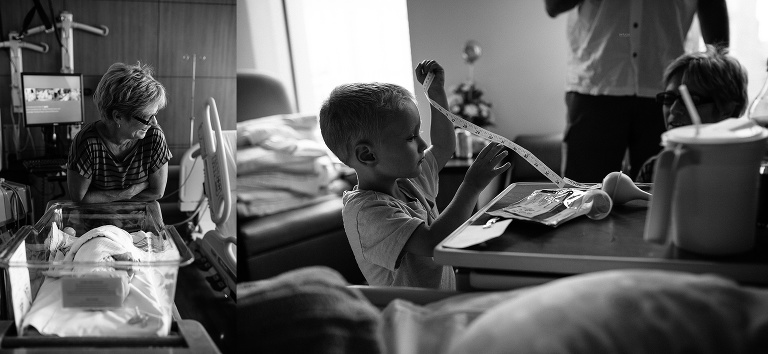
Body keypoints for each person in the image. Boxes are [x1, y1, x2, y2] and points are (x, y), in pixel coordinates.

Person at [319, 60, 510, 290]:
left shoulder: (409, 179)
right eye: (410, 138)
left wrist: (436, 93)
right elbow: (433, 241)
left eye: (417, 132)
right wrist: (471, 185)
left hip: (438, 306)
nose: (422, 144)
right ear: (367, 155)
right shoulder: (366, 213)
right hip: (415, 315)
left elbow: (442, 147)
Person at [544, 0, 730, 183]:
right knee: (583, 199)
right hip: (595, 87)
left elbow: (712, 9)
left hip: (666, 94)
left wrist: (719, 86)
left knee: (662, 196)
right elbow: (553, 5)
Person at [635, 45, 748, 183]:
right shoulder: (654, 169)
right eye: (669, 98)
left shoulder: (745, 170)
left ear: (727, 108)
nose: (674, 109)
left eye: (692, 99)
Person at [67, 62, 171, 203]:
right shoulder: (87, 143)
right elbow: (79, 198)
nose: (154, 123)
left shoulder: (154, 137)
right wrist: (126, 193)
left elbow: (157, 193)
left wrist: (103, 198)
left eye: (155, 113)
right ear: (118, 116)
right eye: (147, 117)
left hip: (138, 219)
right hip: (96, 221)